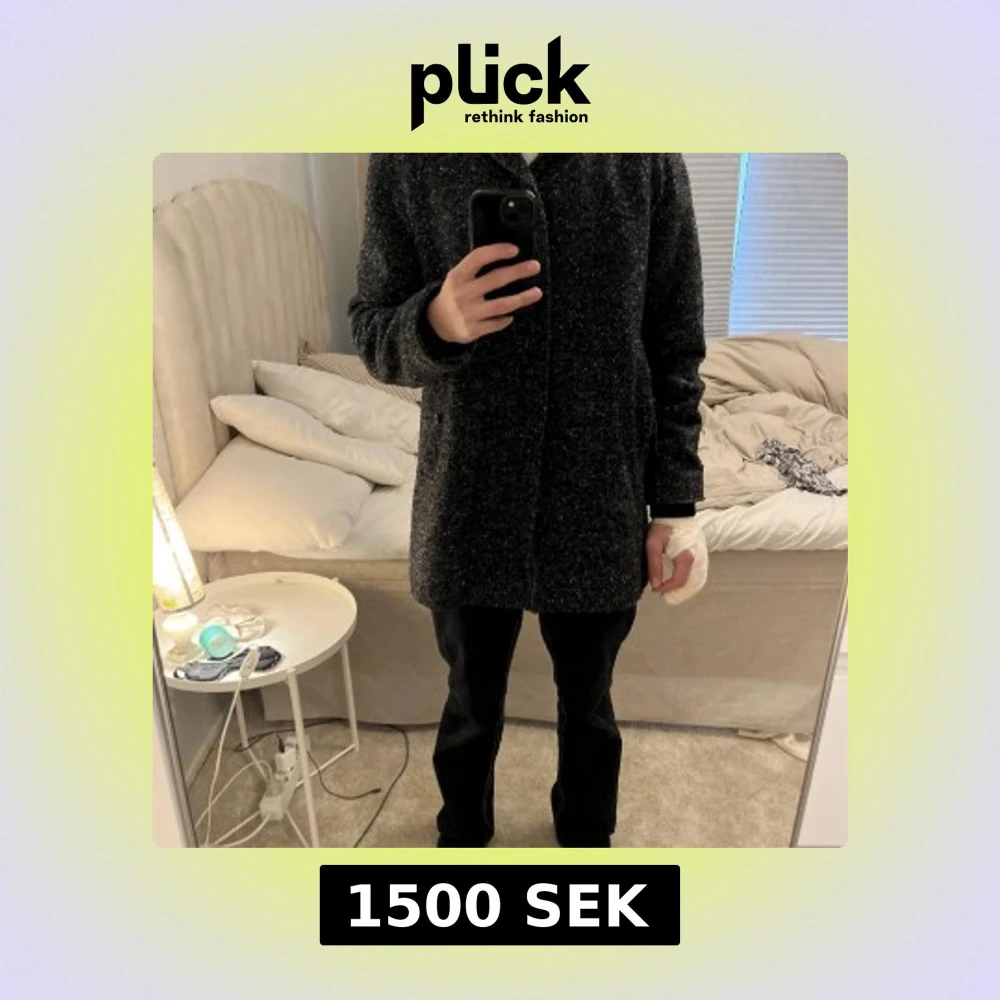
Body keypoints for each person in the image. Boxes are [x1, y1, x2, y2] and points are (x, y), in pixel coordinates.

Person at [349, 153, 708, 847]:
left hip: (600, 488)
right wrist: (436, 321)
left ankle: (586, 839)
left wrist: (675, 506)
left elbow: (674, 340)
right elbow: (371, 329)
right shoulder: (410, 157)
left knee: (590, 703)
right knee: (469, 702)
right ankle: (462, 838)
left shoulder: (644, 154)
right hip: (469, 494)